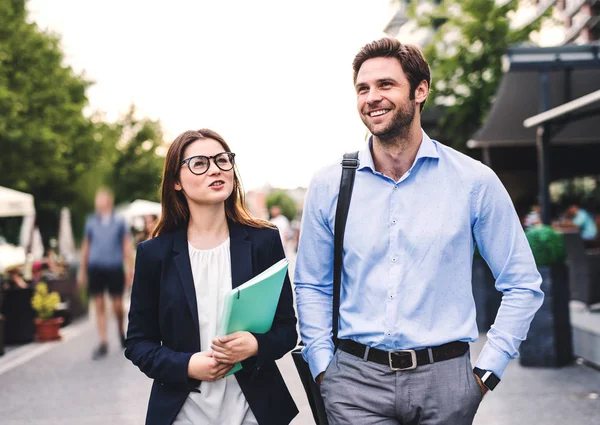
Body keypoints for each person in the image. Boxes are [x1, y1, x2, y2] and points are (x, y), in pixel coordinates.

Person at [294, 38, 544, 425]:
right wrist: (323, 369)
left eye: (385, 85)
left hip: (446, 382)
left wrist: (485, 374)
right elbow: (311, 284)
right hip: (354, 384)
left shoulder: (474, 181)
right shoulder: (329, 185)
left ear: (420, 90)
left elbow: (522, 284)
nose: (372, 97)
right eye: (363, 88)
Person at [124, 129, 298, 425]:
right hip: (183, 412)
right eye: (199, 163)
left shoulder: (263, 242)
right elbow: (139, 343)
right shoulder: (155, 254)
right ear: (176, 181)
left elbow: (286, 330)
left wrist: (255, 346)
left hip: (253, 411)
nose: (215, 169)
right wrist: (188, 364)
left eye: (221, 160)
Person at [78, 188, 133, 360]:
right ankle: (103, 341)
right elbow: (86, 246)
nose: (98, 203)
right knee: (99, 304)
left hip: (114, 267)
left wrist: (130, 268)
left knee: (117, 306)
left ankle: (120, 329)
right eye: (97, 200)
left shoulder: (119, 221)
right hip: (96, 267)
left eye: (101, 199)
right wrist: (82, 270)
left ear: (108, 201)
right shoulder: (91, 221)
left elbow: (126, 245)